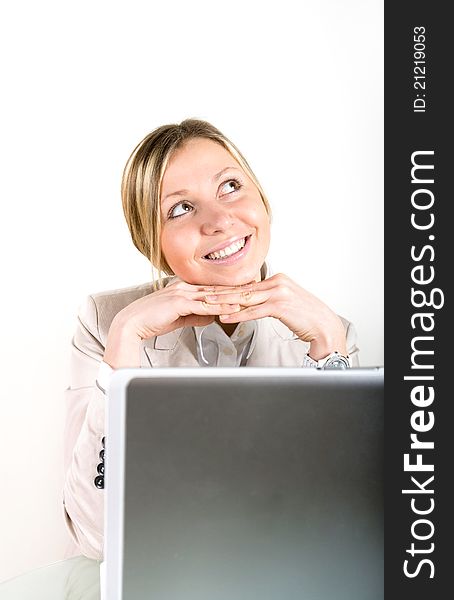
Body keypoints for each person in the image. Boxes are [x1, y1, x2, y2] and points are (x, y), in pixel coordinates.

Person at [62, 118, 359, 560]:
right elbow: (96, 537)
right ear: (152, 244)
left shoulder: (327, 331)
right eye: (181, 208)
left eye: (231, 186)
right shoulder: (105, 322)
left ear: (262, 200)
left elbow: (339, 526)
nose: (220, 220)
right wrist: (125, 340)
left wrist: (330, 353)